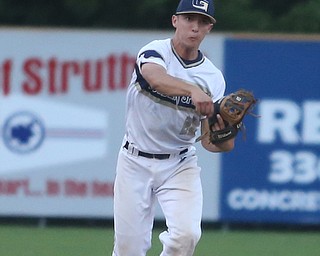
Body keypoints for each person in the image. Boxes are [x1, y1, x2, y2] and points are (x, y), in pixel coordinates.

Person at [112, 0, 235, 255]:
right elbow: (155, 78)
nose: (195, 27)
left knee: (186, 237)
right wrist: (193, 91)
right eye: (189, 18)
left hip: (179, 163)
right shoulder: (155, 51)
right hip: (134, 160)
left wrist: (224, 134)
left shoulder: (213, 78)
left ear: (209, 28)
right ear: (175, 20)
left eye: (202, 22)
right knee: (129, 249)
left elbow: (212, 142)